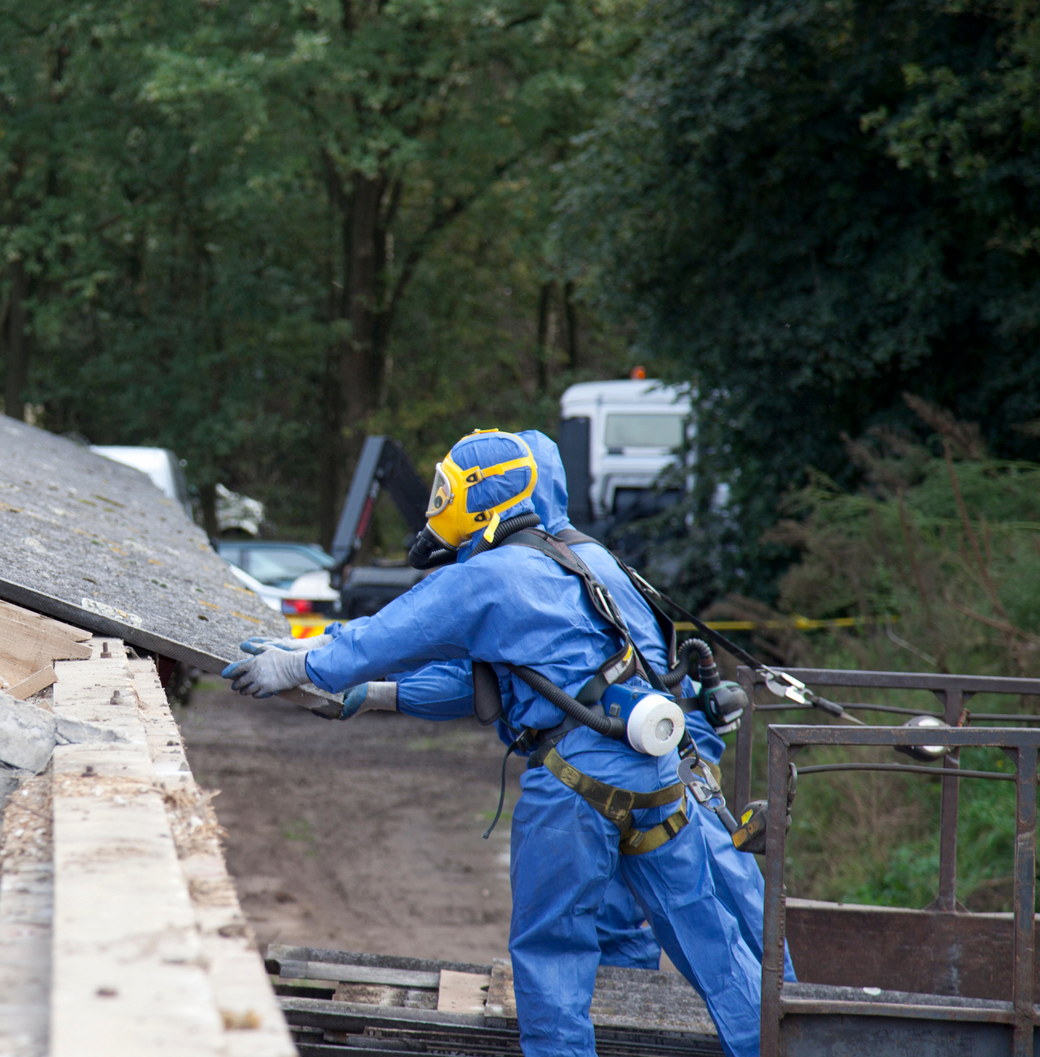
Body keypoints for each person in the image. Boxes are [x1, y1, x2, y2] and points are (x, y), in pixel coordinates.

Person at [223, 428, 762, 1057]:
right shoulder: (589, 559)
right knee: (712, 943)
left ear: (480, 499)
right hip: (657, 773)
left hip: (574, 784)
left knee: (553, 954)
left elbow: (384, 637)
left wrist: (298, 666)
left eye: (445, 492)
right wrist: (374, 693)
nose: (436, 506)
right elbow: (486, 682)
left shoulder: (489, 577)